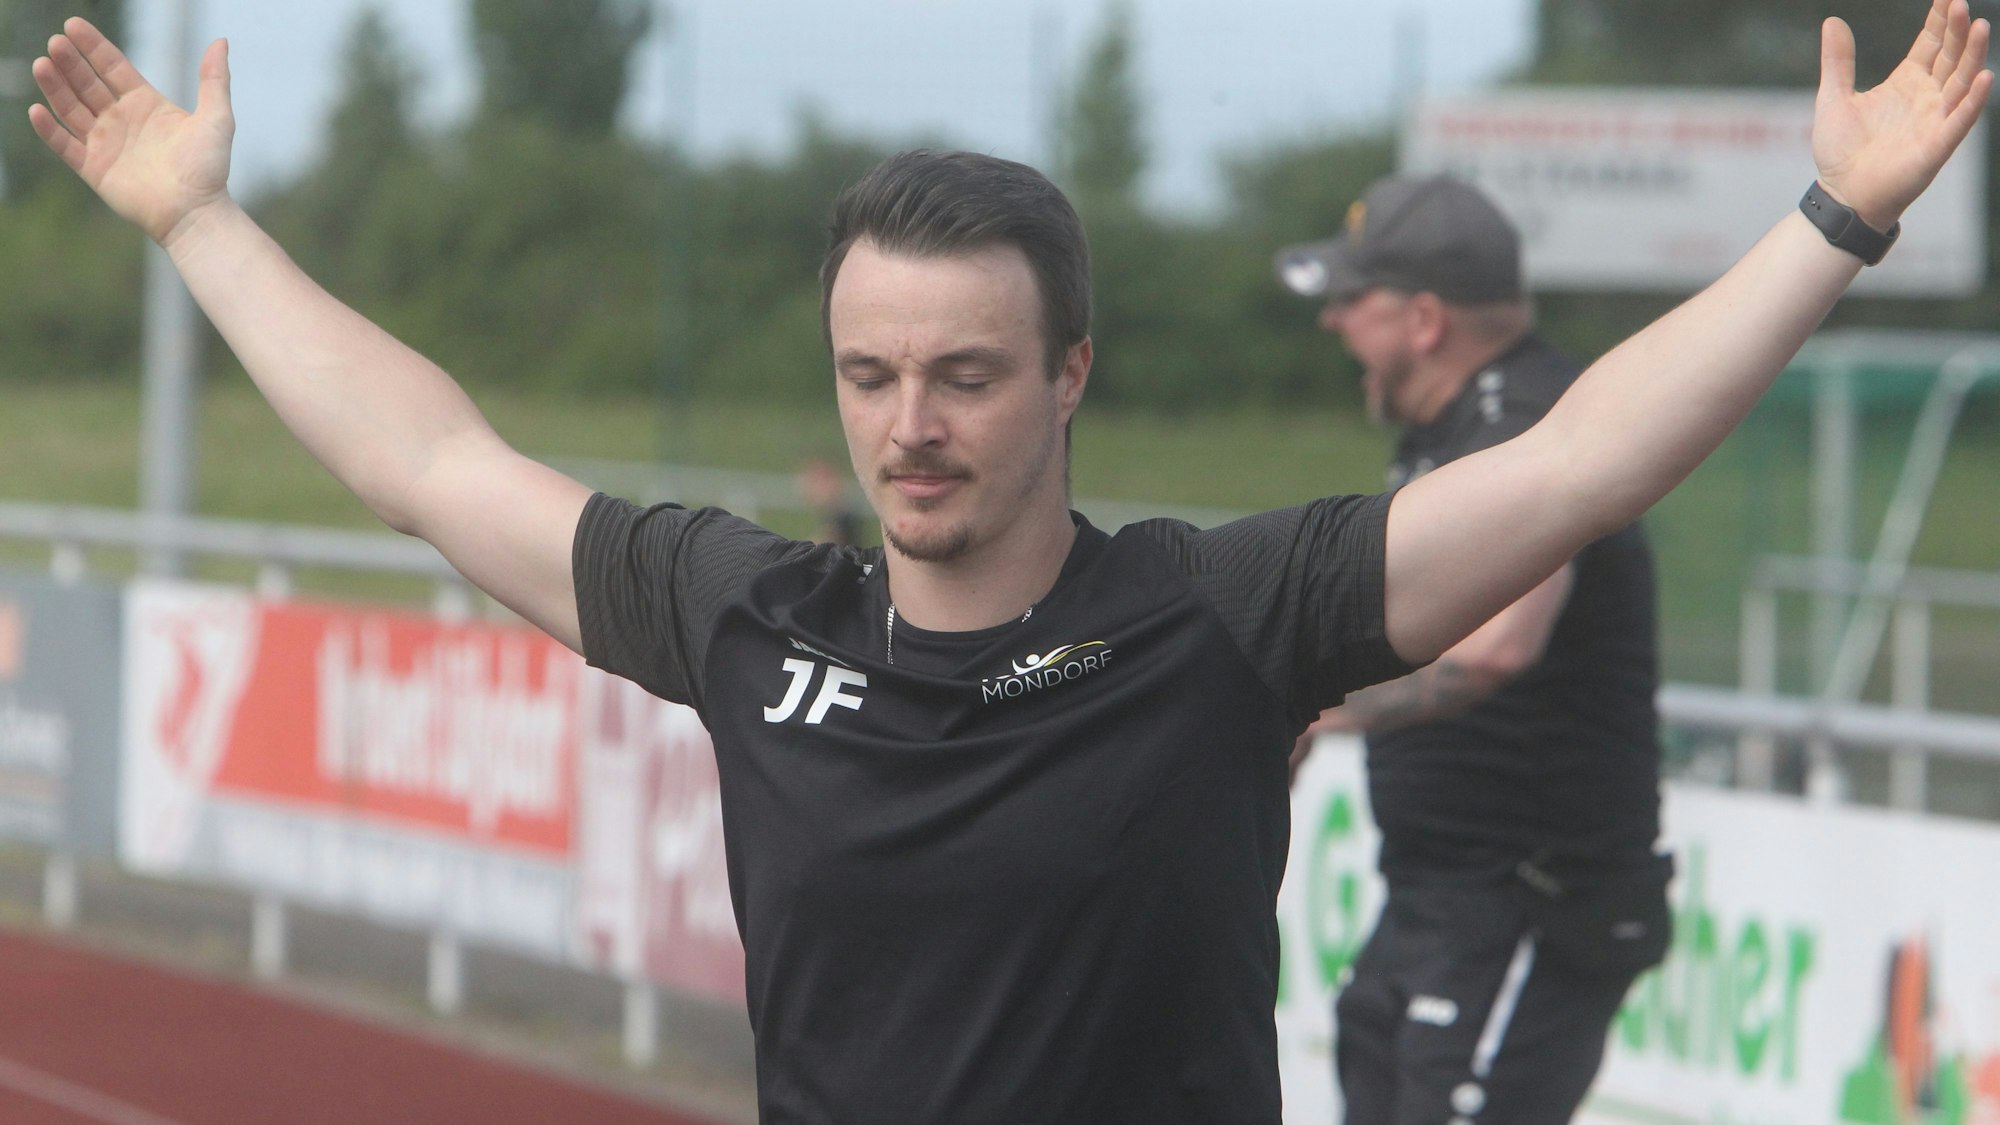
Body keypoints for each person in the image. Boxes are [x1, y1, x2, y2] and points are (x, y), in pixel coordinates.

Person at [25, 5, 1989, 1121]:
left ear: (1066, 376)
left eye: (965, 373)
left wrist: (1831, 218)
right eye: (871, 375)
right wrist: (199, 226)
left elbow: (1578, 459)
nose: (911, 423)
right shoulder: (746, 615)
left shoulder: (1223, 616)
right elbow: (430, 460)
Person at [1279, 175, 1665, 1122]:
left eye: (1347, 300)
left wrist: (1311, 711)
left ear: (1422, 319)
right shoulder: (1453, 428)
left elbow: (1495, 647)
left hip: (1529, 896)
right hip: (1447, 892)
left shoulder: (1532, 427)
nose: (1332, 325)